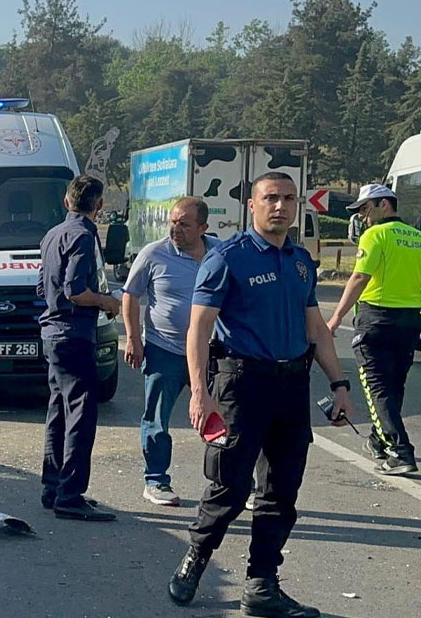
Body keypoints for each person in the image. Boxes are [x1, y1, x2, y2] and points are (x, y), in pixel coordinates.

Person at [168, 172, 352, 617]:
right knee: (229, 486)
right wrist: (200, 393)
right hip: (241, 385)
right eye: (271, 198)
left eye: (289, 199)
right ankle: (196, 558)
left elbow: (317, 330)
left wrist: (340, 384)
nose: (281, 206)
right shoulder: (227, 259)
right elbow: (199, 329)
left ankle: (262, 583)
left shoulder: (301, 261)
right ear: (252, 206)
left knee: (281, 491)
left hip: (291, 386)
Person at [122, 197, 218, 507]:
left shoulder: (220, 253)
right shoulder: (154, 254)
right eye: (173, 222)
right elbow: (130, 296)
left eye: (184, 224)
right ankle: (156, 481)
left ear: (203, 227)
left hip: (211, 351)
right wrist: (134, 339)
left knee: (219, 417)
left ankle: (227, 480)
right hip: (166, 349)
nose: (175, 229)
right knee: (157, 419)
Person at [37, 175, 122, 522]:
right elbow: (75, 290)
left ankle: (53, 486)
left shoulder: (52, 234)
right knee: (81, 416)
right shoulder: (84, 237)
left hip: (52, 332)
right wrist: (107, 302)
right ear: (99, 206)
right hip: (74, 332)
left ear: (66, 200)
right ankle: (71, 495)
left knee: (58, 411)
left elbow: (43, 287)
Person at [326, 183, 421, 475]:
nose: (363, 218)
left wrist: (335, 318)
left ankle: (399, 451)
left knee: (376, 387)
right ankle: (379, 441)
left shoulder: (375, 234)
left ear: (384, 204)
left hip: (376, 319)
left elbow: (358, 278)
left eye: (365, 209)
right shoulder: (417, 237)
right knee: (394, 386)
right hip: (409, 321)